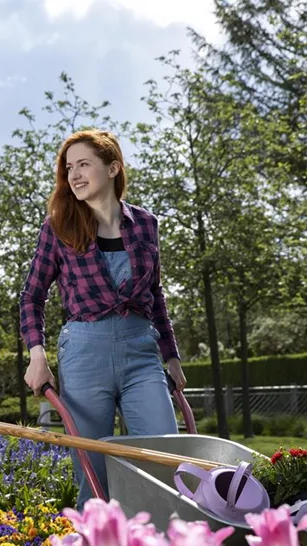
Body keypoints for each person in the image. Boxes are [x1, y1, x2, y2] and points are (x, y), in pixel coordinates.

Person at [19, 129, 187, 511]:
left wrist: (171, 355)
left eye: (84, 165)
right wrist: (37, 355)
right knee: (93, 475)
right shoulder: (58, 226)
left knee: (164, 458)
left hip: (141, 353)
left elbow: (155, 295)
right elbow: (32, 295)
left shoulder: (146, 225)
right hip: (83, 352)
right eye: (68, 168)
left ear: (113, 168)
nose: (74, 175)